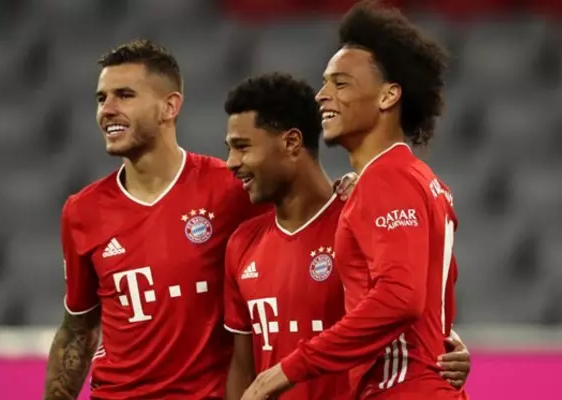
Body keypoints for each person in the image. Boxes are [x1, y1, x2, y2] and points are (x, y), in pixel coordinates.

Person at [42, 40, 356, 400]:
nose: (107, 110)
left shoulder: (232, 189)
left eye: (124, 95)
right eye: (101, 98)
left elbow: (304, 204)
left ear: (170, 106)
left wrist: (352, 190)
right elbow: (78, 329)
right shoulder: (82, 211)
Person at [241, 2, 470, 400]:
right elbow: (431, 296)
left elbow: (400, 299)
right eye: (324, 83)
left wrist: (283, 372)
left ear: (388, 96)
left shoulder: (387, 180)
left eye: (340, 84)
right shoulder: (421, 180)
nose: (322, 96)